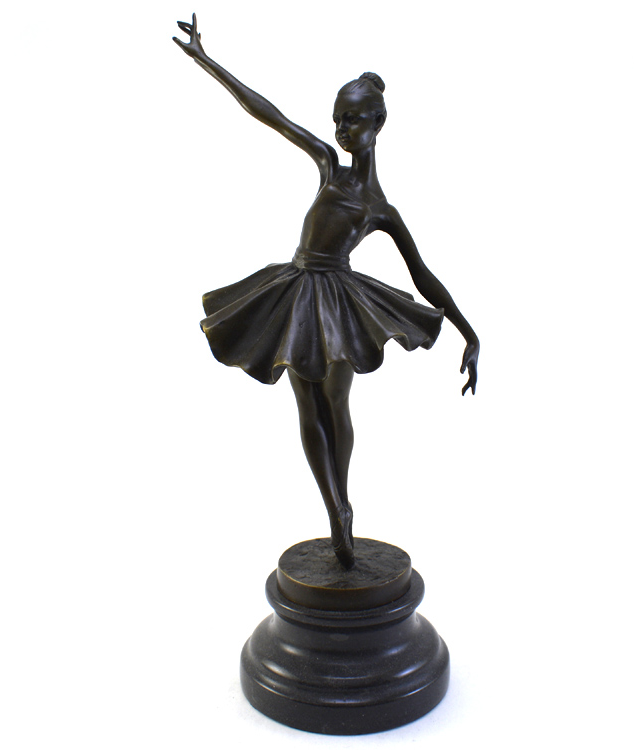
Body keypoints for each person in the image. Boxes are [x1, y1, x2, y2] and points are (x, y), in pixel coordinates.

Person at [174, 15, 479, 569]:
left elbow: (422, 275)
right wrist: (206, 59)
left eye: (353, 119)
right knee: (307, 400)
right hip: (295, 291)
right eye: (337, 119)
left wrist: (470, 334)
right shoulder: (327, 167)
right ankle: (336, 507)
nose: (341, 129)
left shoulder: (379, 208)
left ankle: (343, 502)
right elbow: (270, 115)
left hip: (338, 301)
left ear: (378, 124)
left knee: (335, 401)